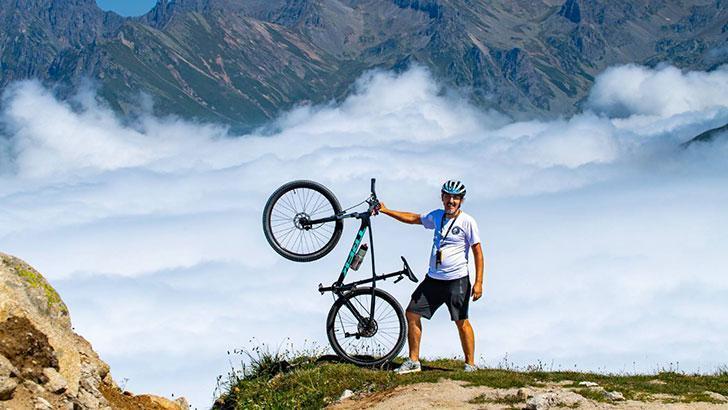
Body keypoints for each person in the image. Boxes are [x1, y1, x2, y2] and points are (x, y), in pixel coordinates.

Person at [378, 180, 484, 374]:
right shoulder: (437, 216)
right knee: (411, 313)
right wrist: (386, 211)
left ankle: (470, 365)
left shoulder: (467, 221)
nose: (451, 201)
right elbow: (413, 218)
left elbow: (478, 252)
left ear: (461, 200)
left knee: (461, 321)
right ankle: (413, 361)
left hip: (457, 280)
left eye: (456, 198)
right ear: (442, 197)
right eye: (448, 196)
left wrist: (478, 283)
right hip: (433, 279)